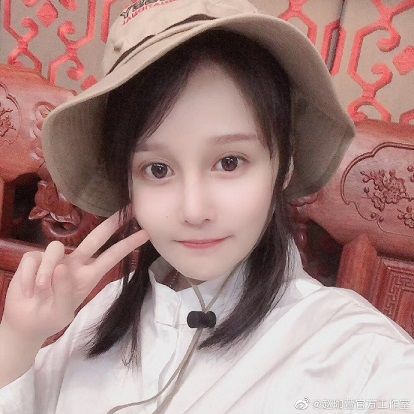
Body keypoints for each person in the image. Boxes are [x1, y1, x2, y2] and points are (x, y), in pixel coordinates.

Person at [0, 0, 413, 413]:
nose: (194, 211)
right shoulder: (104, 310)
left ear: (283, 164)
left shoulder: (358, 359)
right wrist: (19, 338)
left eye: (229, 162)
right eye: (158, 169)